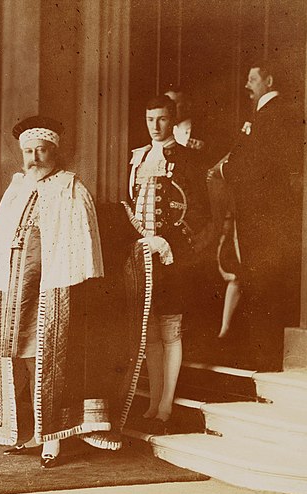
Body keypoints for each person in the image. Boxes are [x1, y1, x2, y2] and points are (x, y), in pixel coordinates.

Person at [0, 116, 112, 468]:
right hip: (15, 290)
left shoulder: (70, 187)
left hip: (52, 288)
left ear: (54, 152)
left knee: (48, 358)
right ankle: (35, 431)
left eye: (40, 150)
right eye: (28, 151)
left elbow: (82, 243)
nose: (34, 158)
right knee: (19, 354)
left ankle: (53, 438)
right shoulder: (17, 188)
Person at [122, 95, 211, 433]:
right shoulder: (138, 158)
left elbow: (200, 213)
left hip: (173, 258)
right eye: (149, 119)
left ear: (172, 120)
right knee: (150, 335)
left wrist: (168, 242)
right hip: (142, 256)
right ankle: (153, 400)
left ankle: (166, 405)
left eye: (161, 119)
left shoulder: (187, 159)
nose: (155, 126)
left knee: (170, 330)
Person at [220, 62, 301, 371]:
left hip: (265, 217)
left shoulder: (272, 114)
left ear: (269, 79)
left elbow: (255, 165)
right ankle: (261, 356)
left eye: (252, 79)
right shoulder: (263, 113)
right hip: (260, 216)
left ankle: (265, 359)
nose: (246, 85)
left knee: (263, 283)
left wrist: (225, 170)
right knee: (259, 282)